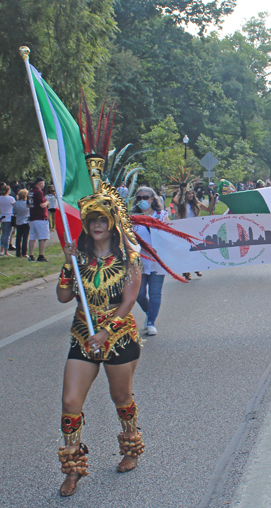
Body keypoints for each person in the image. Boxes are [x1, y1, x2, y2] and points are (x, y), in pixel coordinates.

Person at [56, 174, 143, 498]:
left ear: (111, 223)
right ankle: (73, 469)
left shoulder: (129, 257)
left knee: (121, 398)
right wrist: (67, 266)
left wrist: (107, 330)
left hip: (118, 337)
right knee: (70, 402)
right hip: (82, 336)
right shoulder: (78, 258)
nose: (96, 225)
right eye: (91, 220)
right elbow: (64, 298)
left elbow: (130, 299)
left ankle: (131, 445)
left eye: (101, 220)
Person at [131, 187, 170, 336]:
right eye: (139, 198)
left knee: (155, 293)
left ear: (152, 199)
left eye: (145, 197)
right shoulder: (132, 218)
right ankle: (149, 311)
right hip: (139, 261)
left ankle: (151, 322)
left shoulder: (161, 216)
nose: (142, 200)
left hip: (156, 261)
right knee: (139, 293)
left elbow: (169, 235)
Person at [173, 184, 216, 280]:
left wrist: (212, 198)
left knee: (196, 250)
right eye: (188, 194)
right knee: (186, 250)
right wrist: (179, 193)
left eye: (192, 193)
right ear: (185, 195)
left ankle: (196, 268)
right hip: (184, 229)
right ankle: (186, 271)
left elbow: (209, 209)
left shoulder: (197, 204)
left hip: (195, 229)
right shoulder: (182, 205)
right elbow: (174, 201)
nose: (191, 195)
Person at [27, 176, 50, 262]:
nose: (43, 185)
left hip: (32, 216)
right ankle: (41, 255)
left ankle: (31, 255)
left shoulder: (31, 191)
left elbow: (28, 204)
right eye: (43, 183)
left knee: (32, 237)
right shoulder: (39, 192)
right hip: (40, 216)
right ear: (40, 183)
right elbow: (42, 205)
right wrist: (47, 202)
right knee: (43, 237)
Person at [12, 189, 30, 257]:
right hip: (26, 221)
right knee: (25, 237)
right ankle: (24, 252)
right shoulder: (27, 203)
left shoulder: (16, 203)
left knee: (18, 237)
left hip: (18, 221)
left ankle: (18, 252)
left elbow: (14, 212)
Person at [0, 185, 16, 256]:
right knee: (8, 234)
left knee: (3, 234)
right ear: (8, 191)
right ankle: (6, 251)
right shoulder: (11, 198)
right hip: (9, 217)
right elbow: (15, 206)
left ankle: (2, 249)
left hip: (2, 217)